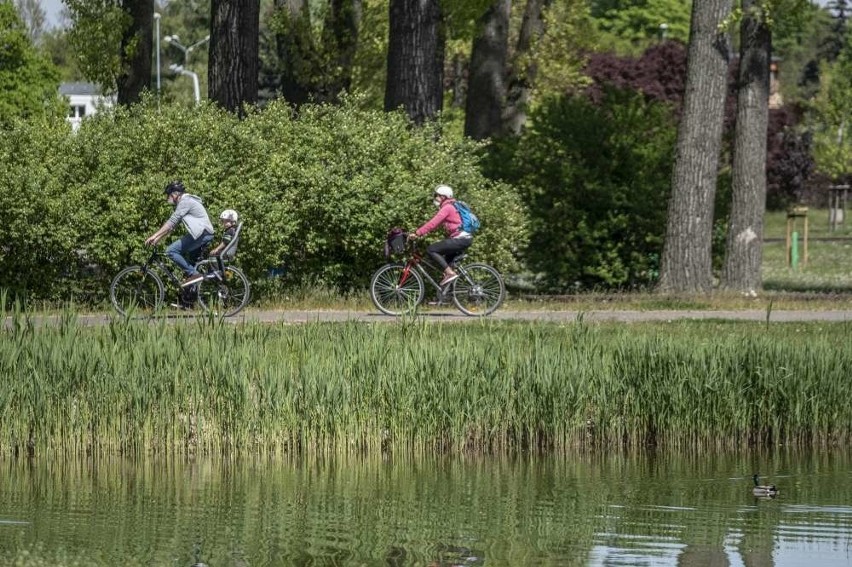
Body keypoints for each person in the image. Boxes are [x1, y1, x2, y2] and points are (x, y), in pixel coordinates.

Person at [144, 180, 214, 287]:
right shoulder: (185, 202)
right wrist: (158, 238)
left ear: (175, 194)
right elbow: (172, 226)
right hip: (202, 233)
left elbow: (172, 221)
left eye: (169, 195)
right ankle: (192, 294)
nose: (168, 198)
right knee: (189, 263)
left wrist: (153, 235)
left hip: (202, 234)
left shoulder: (185, 202)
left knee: (171, 251)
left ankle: (194, 274)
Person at [409, 184, 472, 287]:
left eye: (436, 195)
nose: (435, 198)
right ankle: (446, 296)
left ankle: (449, 273)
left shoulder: (447, 208)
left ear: (443, 197)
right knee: (447, 264)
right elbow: (435, 226)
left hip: (461, 239)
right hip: (463, 239)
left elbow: (433, 223)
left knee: (431, 250)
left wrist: (417, 233)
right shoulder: (450, 206)